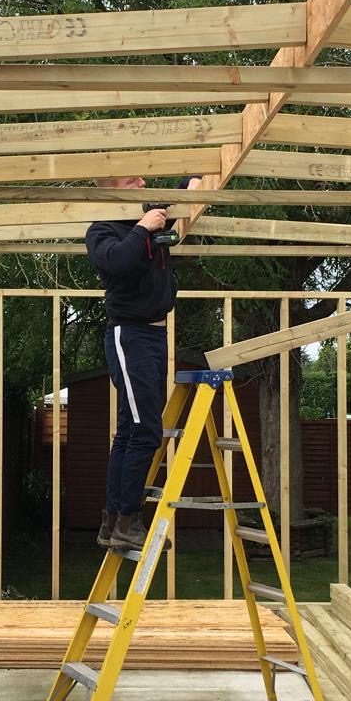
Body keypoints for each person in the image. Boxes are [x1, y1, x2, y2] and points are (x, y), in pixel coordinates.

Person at [85, 173, 204, 551]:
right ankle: (127, 520)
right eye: (131, 180)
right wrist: (143, 227)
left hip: (153, 337)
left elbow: (182, 188)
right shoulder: (104, 229)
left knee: (130, 431)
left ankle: (113, 521)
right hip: (129, 335)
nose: (141, 181)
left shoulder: (151, 216)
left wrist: (195, 182)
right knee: (146, 430)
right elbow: (116, 262)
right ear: (110, 190)